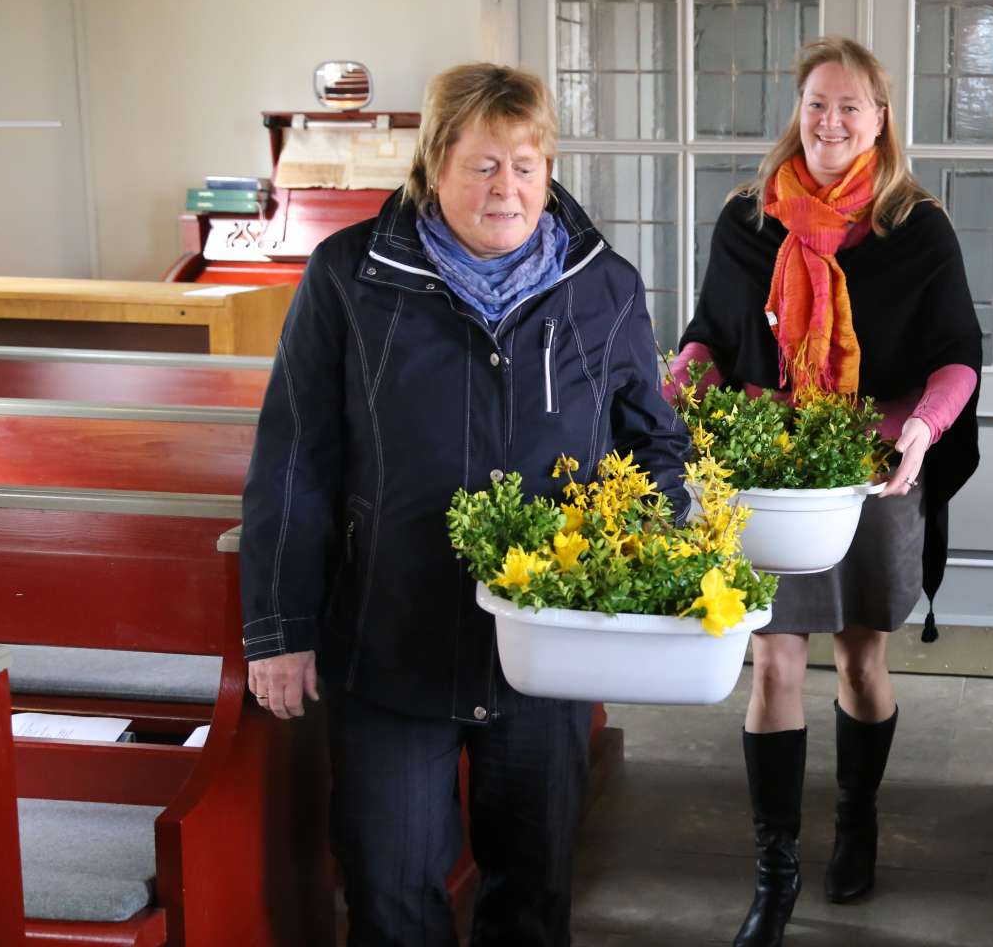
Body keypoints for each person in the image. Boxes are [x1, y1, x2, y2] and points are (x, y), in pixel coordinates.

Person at [241, 62, 690, 946]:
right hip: (392, 638)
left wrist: (660, 552)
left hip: (547, 653)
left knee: (530, 897)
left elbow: (655, 445)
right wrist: (280, 629)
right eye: (483, 165)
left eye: (527, 165)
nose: (508, 189)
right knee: (390, 891)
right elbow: (295, 458)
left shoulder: (603, 285)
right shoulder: (349, 279)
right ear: (434, 164)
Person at [670, 36, 982, 947]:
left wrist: (920, 431)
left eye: (851, 107)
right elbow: (710, 337)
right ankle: (776, 871)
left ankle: (857, 820)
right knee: (770, 663)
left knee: (858, 663)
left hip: (874, 471)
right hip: (771, 474)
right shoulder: (745, 219)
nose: (832, 122)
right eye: (817, 105)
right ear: (797, 112)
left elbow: (957, 356)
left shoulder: (917, 225)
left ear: (881, 120)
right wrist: (678, 387)